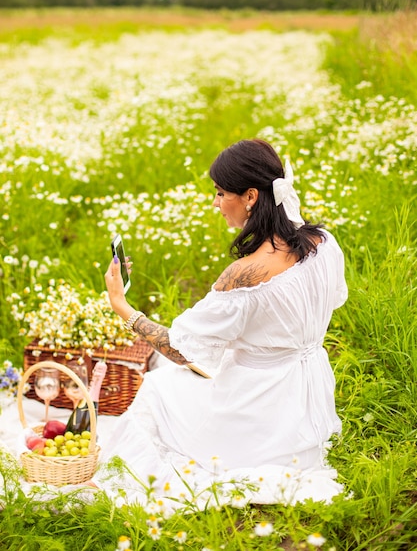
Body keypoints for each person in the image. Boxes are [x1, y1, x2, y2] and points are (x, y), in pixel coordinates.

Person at [92, 138, 348, 509]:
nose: (215, 203)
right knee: (184, 378)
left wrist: (123, 306)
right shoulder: (323, 243)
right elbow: (332, 298)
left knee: (158, 387)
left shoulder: (245, 275)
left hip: (255, 410)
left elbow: (180, 349)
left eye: (219, 192)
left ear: (249, 197)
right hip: (306, 402)